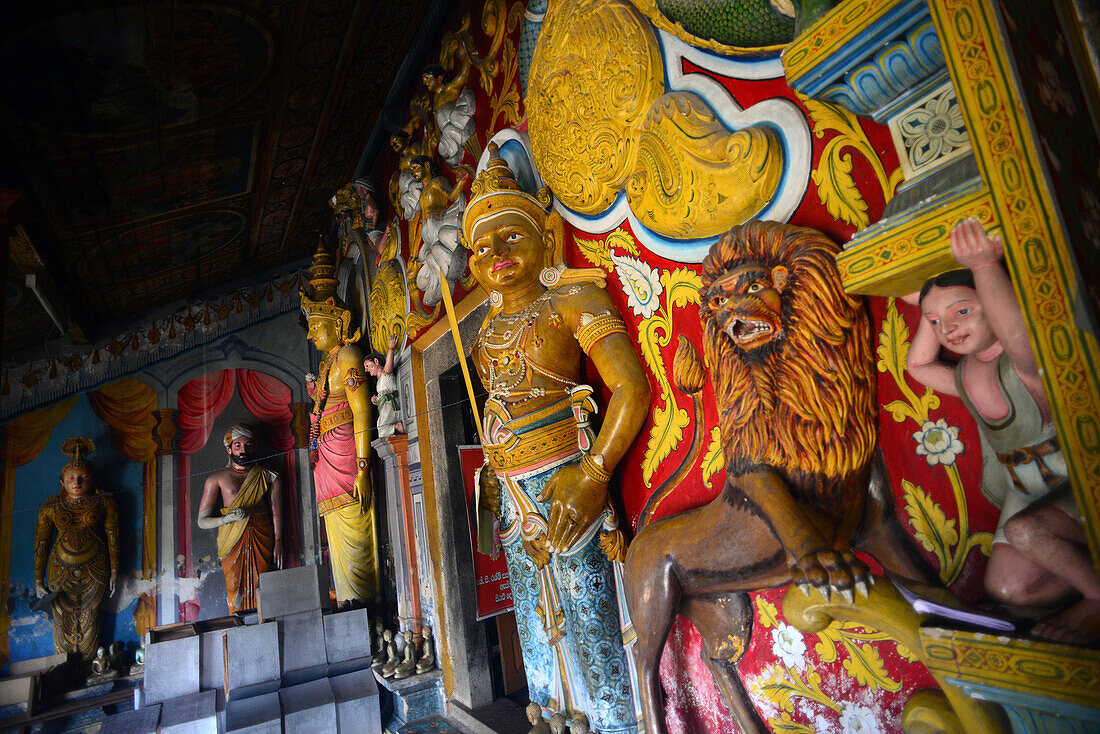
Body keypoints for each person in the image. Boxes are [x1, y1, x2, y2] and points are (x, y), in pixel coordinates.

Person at [465, 144, 649, 732]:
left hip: (570, 481)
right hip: (515, 499)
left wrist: (594, 473)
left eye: (509, 237)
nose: (494, 253)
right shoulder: (483, 332)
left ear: (545, 236)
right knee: (537, 631)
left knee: (591, 621)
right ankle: (552, 718)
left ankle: (618, 724)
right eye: (481, 246)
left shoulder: (572, 300)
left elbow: (631, 391)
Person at [907, 217, 1100, 644]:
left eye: (963, 311)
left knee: (1025, 532)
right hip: (1025, 487)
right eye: (938, 323)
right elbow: (918, 366)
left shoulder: (1023, 363)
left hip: (1077, 476)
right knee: (1007, 589)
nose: (949, 329)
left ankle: (1097, 598)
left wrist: (984, 268)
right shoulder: (967, 373)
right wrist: (931, 305)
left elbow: (1018, 336)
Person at [302, 243, 379, 607]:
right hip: (327, 462)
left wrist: (363, 469)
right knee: (336, 533)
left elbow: (363, 413)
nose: (310, 335)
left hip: (348, 458)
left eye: (315, 326)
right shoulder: (326, 364)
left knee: (355, 528)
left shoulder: (348, 355)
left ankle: (366, 607)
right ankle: (349, 604)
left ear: (336, 322)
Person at [34, 437, 119, 661]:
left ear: (92, 480)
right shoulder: (50, 507)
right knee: (62, 618)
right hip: (59, 569)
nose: (77, 483)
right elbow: (41, 542)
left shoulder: (103, 501)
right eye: (71, 478)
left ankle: (91, 664)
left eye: (83, 478)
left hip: (95, 568)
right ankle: (64, 666)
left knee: (91, 615)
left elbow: (112, 535)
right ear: (61, 482)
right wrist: (37, 580)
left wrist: (114, 571)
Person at [197, 424, 282, 613]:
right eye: (238, 446)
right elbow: (202, 521)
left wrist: (278, 541)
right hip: (232, 538)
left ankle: (264, 618)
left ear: (254, 447)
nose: (243, 450)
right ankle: (238, 621)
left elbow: (276, 511)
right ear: (229, 449)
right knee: (234, 586)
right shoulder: (216, 479)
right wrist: (225, 519)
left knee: (263, 582)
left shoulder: (267, 476)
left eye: (248, 445)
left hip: (261, 533)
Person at [364, 334, 404, 437]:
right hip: (387, 407)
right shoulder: (379, 382)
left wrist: (391, 348)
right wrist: (377, 401)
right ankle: (396, 427)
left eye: (367, 366)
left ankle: (397, 427)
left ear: (376, 361)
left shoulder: (385, 376)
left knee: (381, 429)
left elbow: (388, 365)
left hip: (391, 406)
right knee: (380, 427)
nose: (366, 370)